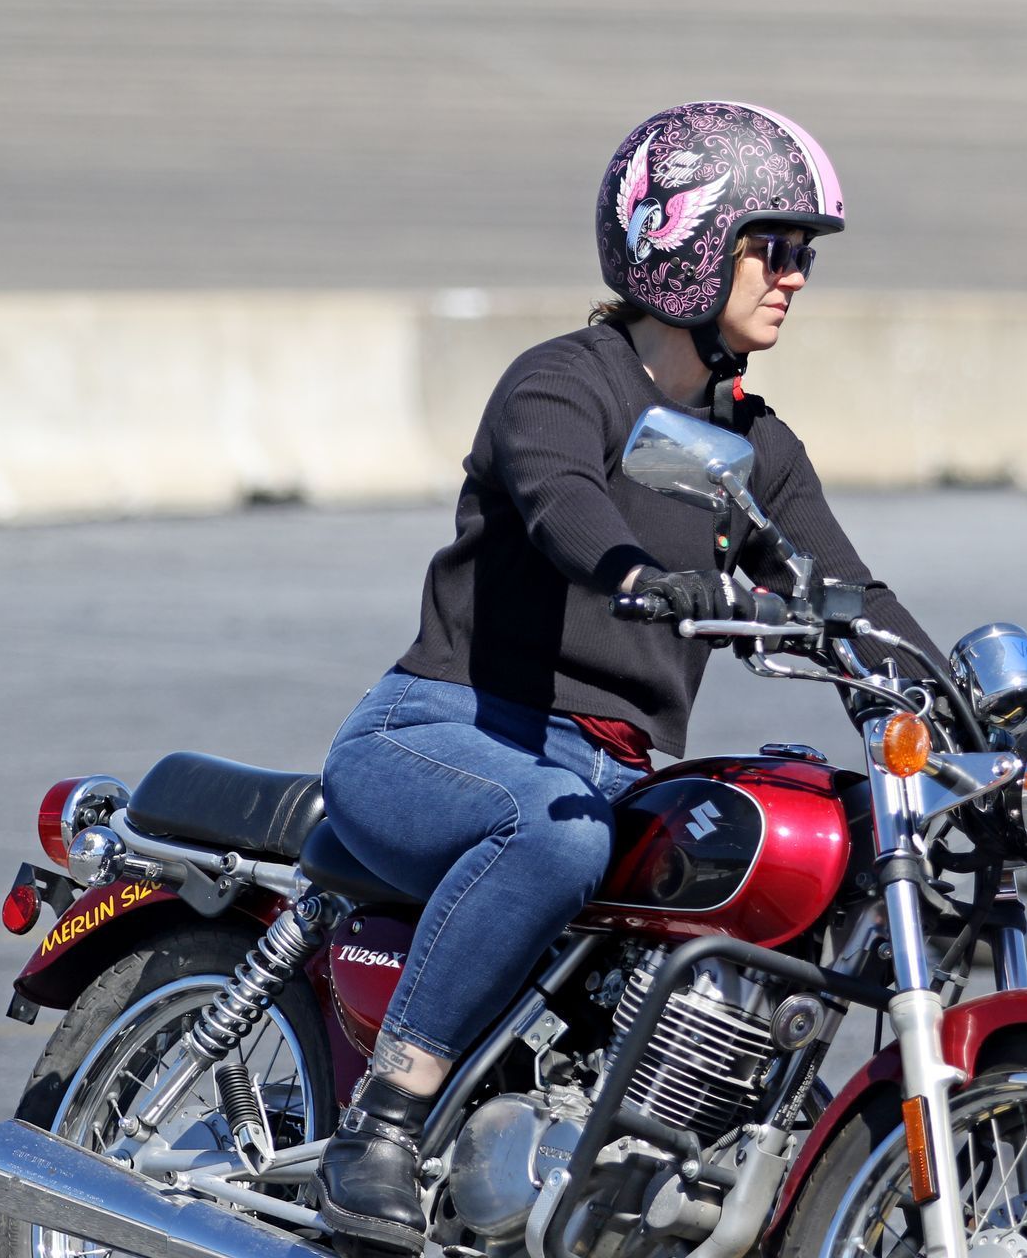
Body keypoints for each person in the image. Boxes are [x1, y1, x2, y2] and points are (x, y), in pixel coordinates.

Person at [311, 101, 938, 1254]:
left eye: (806, 256)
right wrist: (642, 571)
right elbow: (562, 504)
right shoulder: (563, 382)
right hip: (449, 729)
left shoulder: (757, 445)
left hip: (603, 769)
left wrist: (956, 705)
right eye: (776, 247)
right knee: (551, 838)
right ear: (690, 240)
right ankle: (382, 1129)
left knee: (812, 841)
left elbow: (848, 592)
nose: (797, 277)